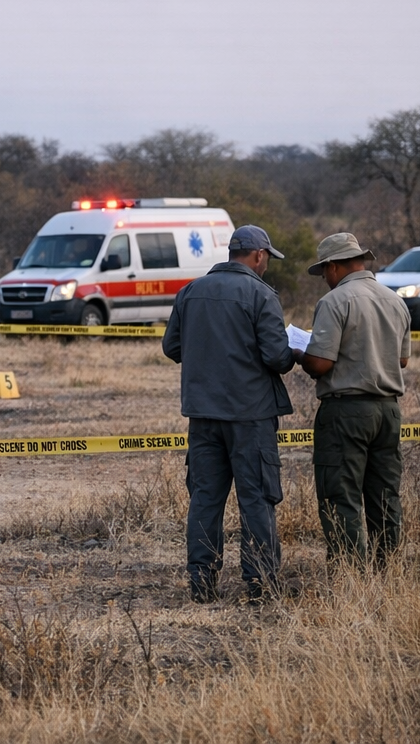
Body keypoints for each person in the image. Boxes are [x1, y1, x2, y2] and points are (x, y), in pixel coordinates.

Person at [163, 224, 296, 603]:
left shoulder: (190, 292)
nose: (267, 263)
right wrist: (295, 352)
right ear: (257, 255)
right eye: (267, 257)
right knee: (256, 498)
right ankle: (261, 583)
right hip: (250, 416)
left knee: (205, 497)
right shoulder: (260, 294)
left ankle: (202, 582)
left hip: (203, 416)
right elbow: (276, 357)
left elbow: (172, 347)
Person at [294, 232, 412, 566]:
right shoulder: (395, 300)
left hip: (346, 412)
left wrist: (300, 352)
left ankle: (350, 574)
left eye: (323, 273)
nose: (324, 280)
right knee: (384, 494)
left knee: (340, 494)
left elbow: (321, 363)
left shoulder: (335, 302)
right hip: (388, 411)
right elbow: (401, 361)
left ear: (333, 266)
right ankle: (384, 569)